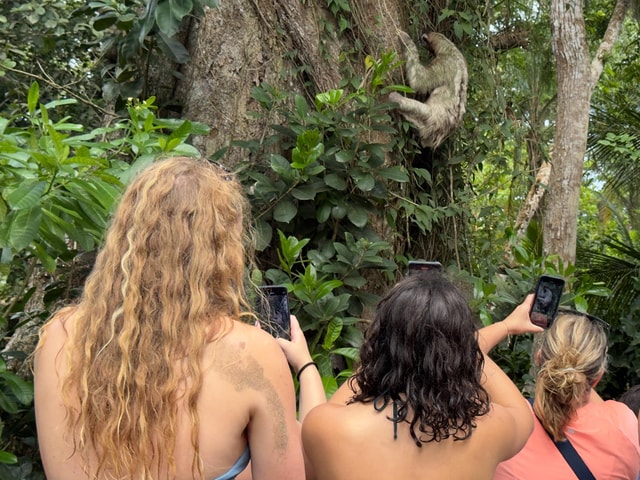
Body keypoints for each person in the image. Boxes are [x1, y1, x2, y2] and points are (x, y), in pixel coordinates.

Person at [33, 157, 305, 480]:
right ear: (223, 250)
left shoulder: (59, 339)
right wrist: (305, 366)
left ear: (126, 234)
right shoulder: (252, 355)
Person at [300, 270, 537, 480]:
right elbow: (521, 414)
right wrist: (475, 343)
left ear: (381, 343)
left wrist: (307, 364)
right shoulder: (490, 429)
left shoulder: (329, 428)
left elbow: (309, 467)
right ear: (462, 352)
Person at [489, 308, 640, 479]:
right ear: (597, 379)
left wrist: (506, 326)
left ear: (538, 359)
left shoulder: (504, 426)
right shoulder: (624, 423)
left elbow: (458, 351)